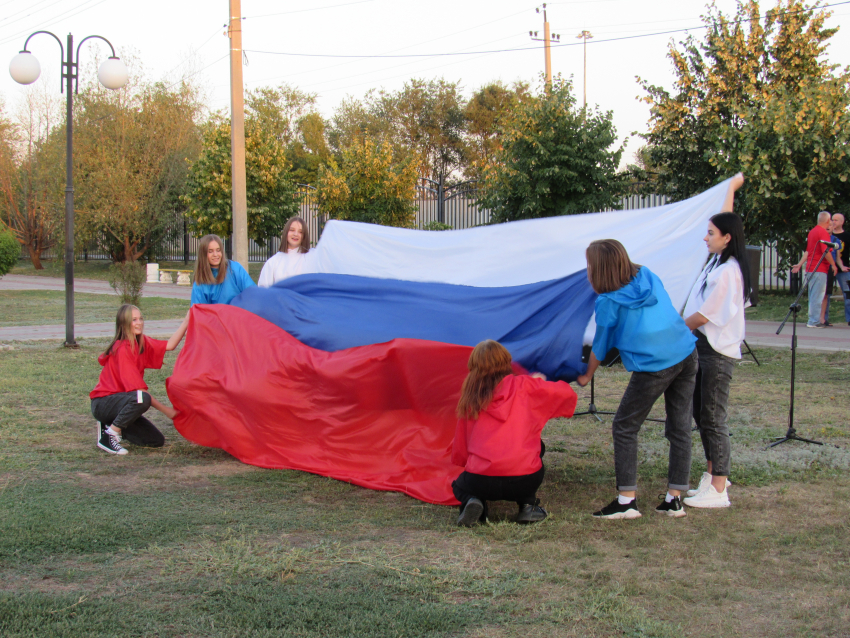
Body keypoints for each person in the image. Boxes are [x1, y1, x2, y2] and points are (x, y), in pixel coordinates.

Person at [577, 239, 697, 520]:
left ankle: (626, 502)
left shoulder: (608, 301)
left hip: (655, 365)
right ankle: (674, 499)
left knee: (625, 426)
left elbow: (601, 345)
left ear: (599, 268)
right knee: (679, 426)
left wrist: (587, 375)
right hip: (686, 353)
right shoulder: (647, 275)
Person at [451, 340, 578, 527]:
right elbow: (567, 394)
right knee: (537, 448)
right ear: (506, 362)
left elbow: (462, 442)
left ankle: (474, 501)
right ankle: (527, 504)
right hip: (524, 478)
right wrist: (539, 383)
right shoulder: (526, 386)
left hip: (481, 478)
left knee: (460, 486)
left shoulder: (471, 396)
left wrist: (467, 466)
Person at [681, 211, 751, 508]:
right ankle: (712, 475)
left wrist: (674, 327)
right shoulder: (716, 263)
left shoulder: (728, 271)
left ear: (727, 237)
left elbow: (708, 313)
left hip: (716, 352)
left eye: (711, 233)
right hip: (703, 348)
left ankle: (720, 487)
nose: (706, 237)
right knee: (701, 413)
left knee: (712, 417)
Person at [91, 304, 189, 455]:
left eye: (140, 318)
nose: (139, 323)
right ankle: (109, 436)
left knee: (155, 441)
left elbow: (169, 346)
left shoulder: (140, 342)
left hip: (122, 403)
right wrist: (168, 411)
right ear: (123, 324)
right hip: (104, 403)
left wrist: (186, 321)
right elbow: (140, 393)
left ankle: (109, 425)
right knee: (142, 398)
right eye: (133, 320)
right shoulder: (122, 349)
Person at [790, 212, 838, 328]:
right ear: (828, 221)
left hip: (811, 268)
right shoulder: (823, 232)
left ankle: (813, 319)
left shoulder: (812, 232)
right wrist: (833, 265)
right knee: (818, 295)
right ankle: (814, 321)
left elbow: (808, 251)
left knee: (814, 295)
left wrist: (800, 264)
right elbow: (825, 251)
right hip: (819, 268)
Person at [191, 234, 256, 305]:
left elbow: (252, 293)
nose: (215, 254)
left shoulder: (234, 268)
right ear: (203, 254)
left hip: (239, 314)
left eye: (218, 250)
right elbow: (198, 311)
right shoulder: (200, 283)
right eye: (210, 251)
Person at [258, 217, 311, 287]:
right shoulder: (273, 262)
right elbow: (263, 290)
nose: (295, 234)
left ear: (304, 236)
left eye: (300, 232)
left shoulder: (311, 258)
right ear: (286, 232)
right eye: (292, 230)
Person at [830, 213, 850, 326]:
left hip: (844, 269)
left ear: (842, 222)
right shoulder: (828, 235)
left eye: (836, 220)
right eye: (832, 219)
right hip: (829, 268)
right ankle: (824, 319)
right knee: (826, 294)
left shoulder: (847, 236)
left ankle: (849, 318)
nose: (833, 222)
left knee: (848, 294)